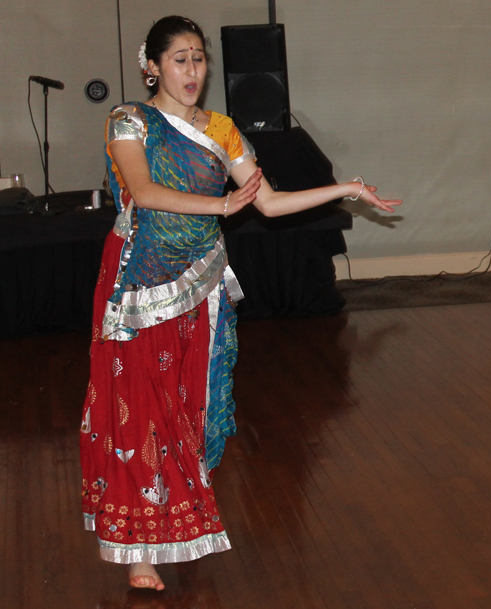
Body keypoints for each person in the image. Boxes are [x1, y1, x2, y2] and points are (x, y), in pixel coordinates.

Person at [80, 15, 402, 592]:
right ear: (151, 65)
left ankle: (173, 520)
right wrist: (223, 209)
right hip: (139, 287)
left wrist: (348, 189)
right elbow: (146, 193)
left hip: (200, 284)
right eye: (180, 59)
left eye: (199, 58)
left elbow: (270, 202)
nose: (193, 71)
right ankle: (139, 552)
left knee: (186, 407)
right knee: (141, 410)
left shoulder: (223, 129)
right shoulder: (130, 120)